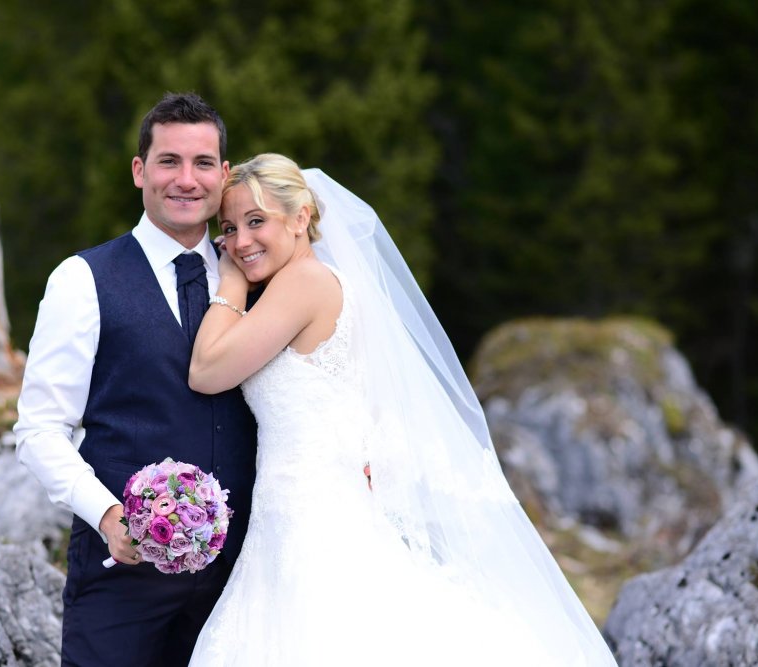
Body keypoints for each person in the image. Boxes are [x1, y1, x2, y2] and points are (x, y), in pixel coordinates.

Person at [186, 153, 619, 665]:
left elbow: (206, 371)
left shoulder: (304, 282)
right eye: (229, 229)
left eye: (256, 221)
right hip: (302, 509)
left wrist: (231, 284)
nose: (239, 243)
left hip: (313, 516)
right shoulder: (322, 282)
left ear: (300, 218)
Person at [13, 93, 258, 666]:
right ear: (139, 171)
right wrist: (107, 515)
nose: (186, 179)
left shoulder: (257, 276)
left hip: (242, 580)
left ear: (224, 174)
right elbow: (39, 429)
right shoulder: (82, 280)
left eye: (202, 163)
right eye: (169, 161)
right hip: (122, 577)